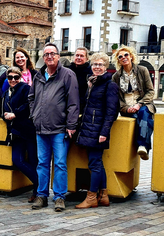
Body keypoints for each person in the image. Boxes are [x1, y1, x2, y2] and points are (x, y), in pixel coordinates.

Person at [28, 43, 79, 212]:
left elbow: (73, 102)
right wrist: (34, 115)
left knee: (60, 164)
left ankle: (59, 197)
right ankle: (42, 196)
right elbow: (31, 98)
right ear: (43, 58)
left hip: (59, 129)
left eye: (52, 54)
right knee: (42, 163)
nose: (49, 57)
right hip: (41, 128)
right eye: (46, 54)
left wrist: (71, 124)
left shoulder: (67, 75)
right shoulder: (38, 76)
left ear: (58, 56)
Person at [75, 52, 120, 209]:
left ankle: (91, 197)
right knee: (97, 163)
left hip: (98, 130)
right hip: (89, 128)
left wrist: (104, 132)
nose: (97, 67)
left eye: (100, 65)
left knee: (94, 164)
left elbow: (112, 112)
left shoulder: (110, 85)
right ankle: (103, 196)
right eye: (94, 64)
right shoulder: (92, 83)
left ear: (106, 67)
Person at [112, 45, 155, 160]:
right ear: (118, 61)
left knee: (144, 114)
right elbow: (115, 97)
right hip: (126, 107)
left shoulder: (142, 70)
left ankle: (142, 146)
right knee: (141, 119)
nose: (124, 57)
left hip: (143, 104)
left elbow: (150, 91)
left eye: (126, 55)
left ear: (131, 56)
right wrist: (125, 108)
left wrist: (139, 104)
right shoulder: (116, 77)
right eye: (120, 57)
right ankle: (143, 146)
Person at [3, 66, 38, 202]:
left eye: (16, 77)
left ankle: (37, 191)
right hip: (15, 132)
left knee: (33, 161)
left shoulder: (25, 88)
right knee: (17, 160)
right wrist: (5, 115)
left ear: (20, 78)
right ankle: (40, 183)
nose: (13, 80)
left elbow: (29, 106)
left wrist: (15, 114)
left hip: (28, 130)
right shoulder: (6, 92)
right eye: (10, 77)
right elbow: (3, 109)